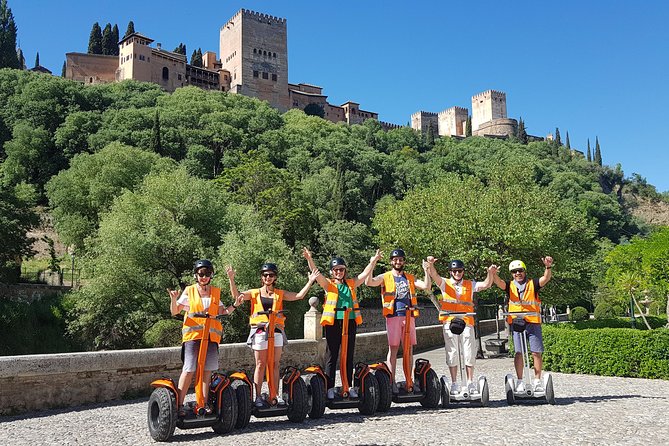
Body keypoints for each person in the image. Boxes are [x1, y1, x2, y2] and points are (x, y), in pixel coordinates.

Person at [227, 262, 319, 407]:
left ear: (275, 277)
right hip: (260, 330)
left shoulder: (279, 293)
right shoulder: (255, 292)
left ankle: (274, 394)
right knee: (260, 364)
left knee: (275, 364)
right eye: (265, 275)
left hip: (276, 330)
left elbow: (299, 296)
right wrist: (231, 279)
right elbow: (237, 296)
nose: (268, 277)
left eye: (271, 275)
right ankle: (257, 397)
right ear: (262, 278)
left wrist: (310, 281)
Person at [302, 247, 383, 399]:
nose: (339, 272)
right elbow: (316, 274)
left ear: (345, 271)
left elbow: (364, 275)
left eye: (341, 269)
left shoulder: (351, 283)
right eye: (336, 270)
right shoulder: (329, 285)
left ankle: (349, 386)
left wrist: (373, 261)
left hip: (350, 321)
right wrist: (309, 258)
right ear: (332, 272)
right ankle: (329, 387)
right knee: (332, 355)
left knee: (348, 355)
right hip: (334, 322)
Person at [168, 259, 243, 415]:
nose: (204, 277)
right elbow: (175, 311)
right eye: (201, 274)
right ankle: (179, 405)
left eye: (207, 274)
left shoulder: (215, 292)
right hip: (193, 336)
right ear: (196, 275)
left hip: (211, 338)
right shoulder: (189, 291)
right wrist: (174, 299)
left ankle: (203, 403)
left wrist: (235, 305)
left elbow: (224, 312)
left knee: (207, 371)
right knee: (189, 369)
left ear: (211, 275)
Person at [426, 257, 497, 395]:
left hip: (466, 321)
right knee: (452, 352)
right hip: (450, 321)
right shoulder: (445, 283)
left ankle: (470, 382)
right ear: (451, 272)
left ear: (463, 271)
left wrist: (490, 273)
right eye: (455, 271)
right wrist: (430, 264)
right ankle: (454, 383)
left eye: (460, 271)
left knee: (469, 352)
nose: (457, 273)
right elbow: (434, 275)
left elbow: (486, 284)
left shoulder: (470, 284)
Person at [365, 249, 431, 393]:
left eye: (400, 260)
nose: (398, 262)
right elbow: (369, 282)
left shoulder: (409, 277)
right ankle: (391, 381)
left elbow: (426, 286)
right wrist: (373, 262)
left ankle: (409, 380)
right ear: (391, 262)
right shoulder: (385, 276)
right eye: (395, 260)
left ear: (403, 262)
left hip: (409, 316)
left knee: (409, 350)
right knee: (393, 349)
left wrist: (427, 270)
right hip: (393, 316)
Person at [492, 257, 553, 392]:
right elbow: (499, 282)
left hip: (533, 323)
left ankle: (537, 380)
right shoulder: (509, 286)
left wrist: (548, 267)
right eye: (514, 272)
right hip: (517, 324)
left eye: (520, 271)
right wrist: (493, 274)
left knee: (536, 352)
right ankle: (520, 381)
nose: (517, 273)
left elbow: (546, 278)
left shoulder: (533, 283)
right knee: (519, 352)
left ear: (524, 271)